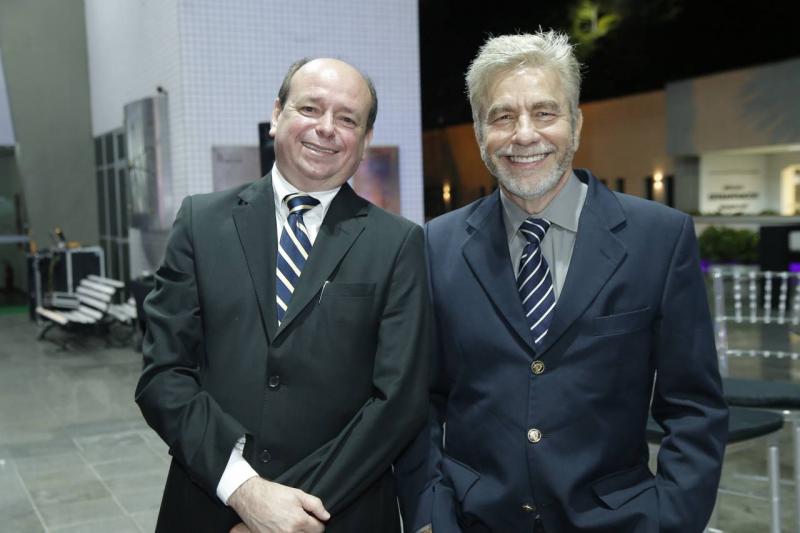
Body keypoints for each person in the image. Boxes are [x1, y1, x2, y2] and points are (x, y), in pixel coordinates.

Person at [396, 31, 728, 533]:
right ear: (480, 132)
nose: (524, 134)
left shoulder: (659, 238)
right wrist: (430, 519)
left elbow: (694, 407)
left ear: (576, 122)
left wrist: (670, 520)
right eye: (502, 117)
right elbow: (421, 402)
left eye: (544, 113)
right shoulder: (435, 245)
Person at [136, 57, 431, 533]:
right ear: (277, 114)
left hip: (339, 512)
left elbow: (398, 402)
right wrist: (245, 491)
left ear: (365, 140)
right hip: (211, 504)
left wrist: (291, 512)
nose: (326, 128)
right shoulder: (200, 224)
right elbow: (164, 375)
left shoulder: (398, 244)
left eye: (348, 119)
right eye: (310, 108)